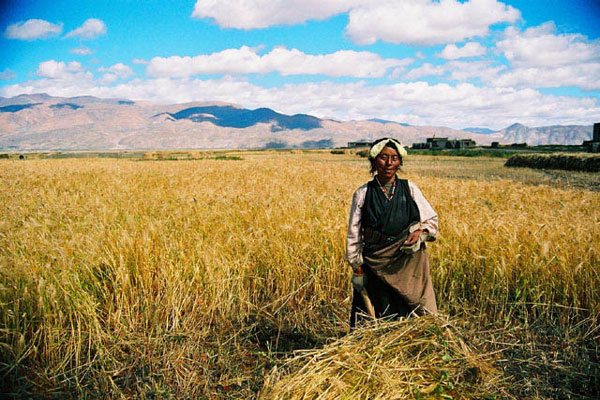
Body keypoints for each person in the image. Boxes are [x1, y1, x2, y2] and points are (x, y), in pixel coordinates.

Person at [346, 138, 438, 327]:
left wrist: (420, 231)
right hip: (375, 261)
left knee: (411, 306)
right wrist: (356, 265)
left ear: (400, 162)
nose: (389, 163)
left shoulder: (409, 189)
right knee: (378, 307)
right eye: (384, 157)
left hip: (407, 261)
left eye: (394, 158)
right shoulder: (363, 193)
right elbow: (354, 232)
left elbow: (431, 220)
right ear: (374, 161)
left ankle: (414, 341)